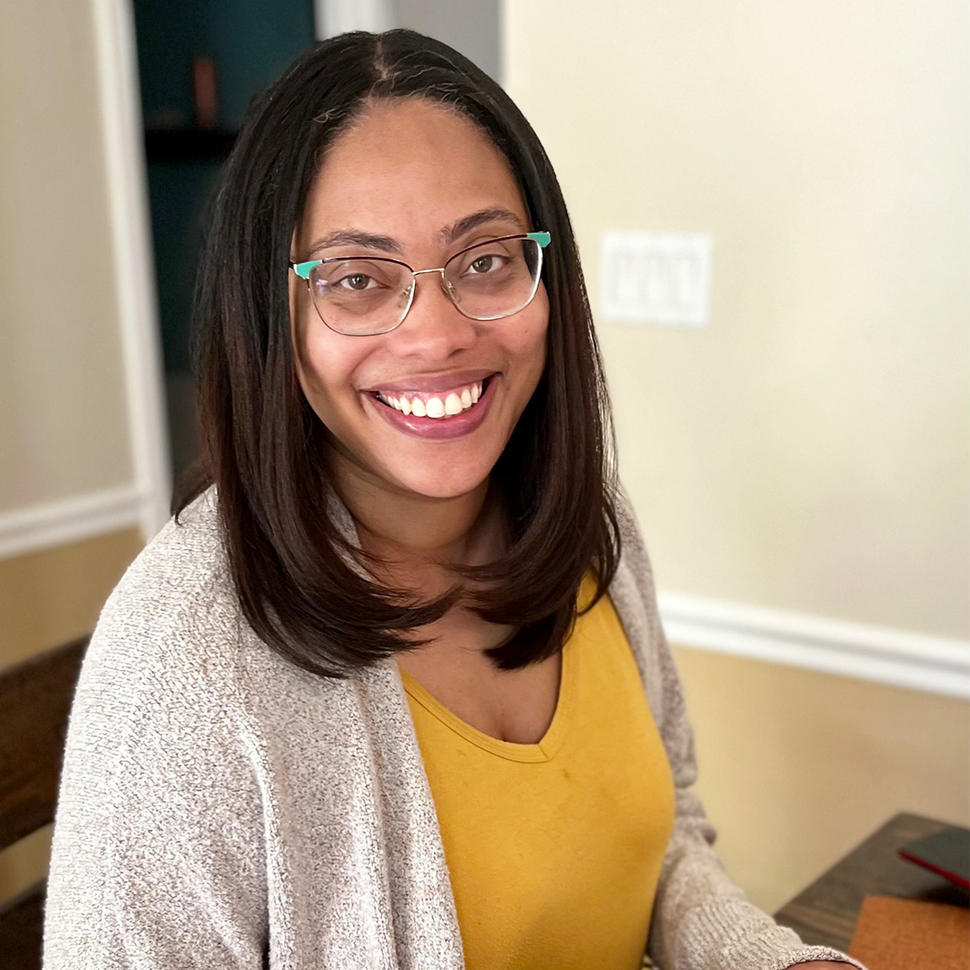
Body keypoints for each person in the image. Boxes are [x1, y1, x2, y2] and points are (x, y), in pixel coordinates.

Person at [44, 29, 865, 970]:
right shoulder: (183, 660)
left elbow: (662, 836)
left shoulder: (590, 525)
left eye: (485, 260)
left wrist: (774, 960)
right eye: (357, 279)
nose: (438, 334)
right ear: (271, 315)